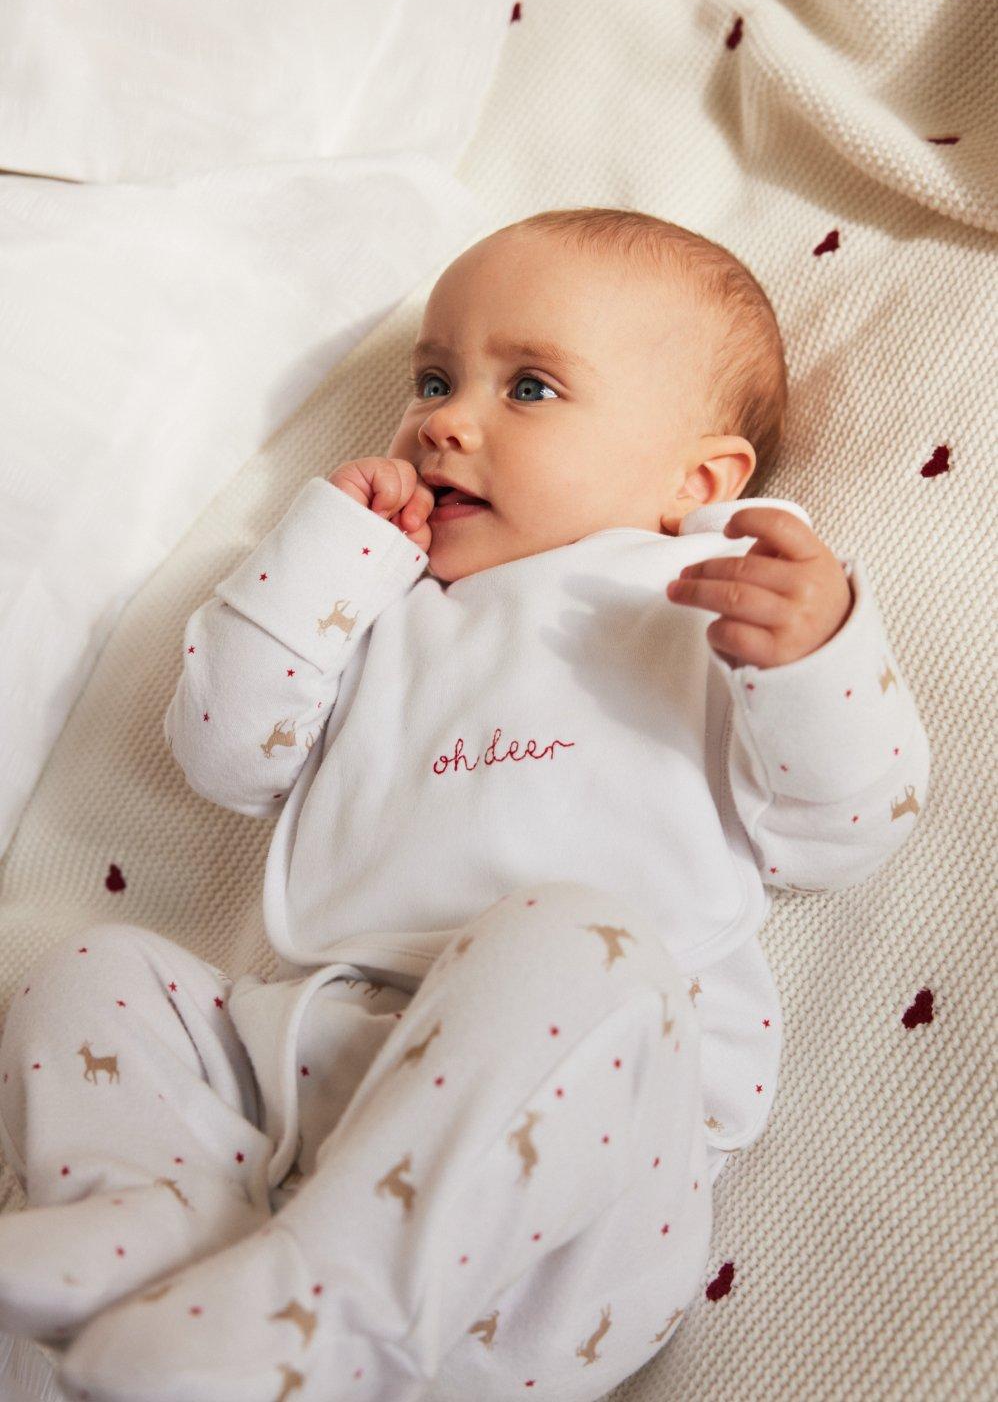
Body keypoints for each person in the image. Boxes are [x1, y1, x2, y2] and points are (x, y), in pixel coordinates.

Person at [0, 208, 930, 1402]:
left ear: (693, 477)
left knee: (570, 939)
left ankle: (326, 1319)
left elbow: (844, 830)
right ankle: (154, 1229)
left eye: (529, 386)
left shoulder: (715, 599)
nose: (444, 417)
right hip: (308, 1090)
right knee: (102, 972)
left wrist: (815, 656)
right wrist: (329, 550)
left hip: (565, 1174)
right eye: (433, 378)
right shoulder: (385, 611)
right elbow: (228, 754)